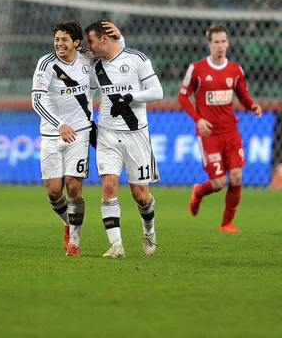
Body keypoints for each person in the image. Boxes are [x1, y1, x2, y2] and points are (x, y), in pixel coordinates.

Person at [31, 20, 124, 257]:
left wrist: (120, 38)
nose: (59, 44)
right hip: (52, 134)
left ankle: (74, 241)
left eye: (64, 40)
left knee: (74, 184)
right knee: (54, 192)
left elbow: (114, 54)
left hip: (81, 132)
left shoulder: (87, 58)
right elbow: (37, 100)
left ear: (76, 42)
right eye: (56, 40)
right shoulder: (46, 64)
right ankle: (67, 222)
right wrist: (59, 124)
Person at [85, 20, 163, 258]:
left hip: (136, 133)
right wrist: (89, 125)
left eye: (91, 41)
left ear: (104, 39)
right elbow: (85, 95)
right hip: (107, 133)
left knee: (140, 195)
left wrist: (130, 96)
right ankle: (116, 245)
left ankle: (149, 230)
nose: (89, 47)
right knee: (108, 185)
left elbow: (157, 92)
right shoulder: (94, 66)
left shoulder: (137, 59)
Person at [178, 24, 262, 233]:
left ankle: (226, 224)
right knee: (218, 183)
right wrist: (198, 119)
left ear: (228, 43)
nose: (220, 46)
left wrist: (251, 105)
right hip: (209, 134)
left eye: (223, 41)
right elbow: (182, 96)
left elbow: (242, 95)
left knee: (236, 177)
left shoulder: (235, 70)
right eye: (216, 42)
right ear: (209, 44)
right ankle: (198, 192)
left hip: (230, 132)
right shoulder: (197, 69)